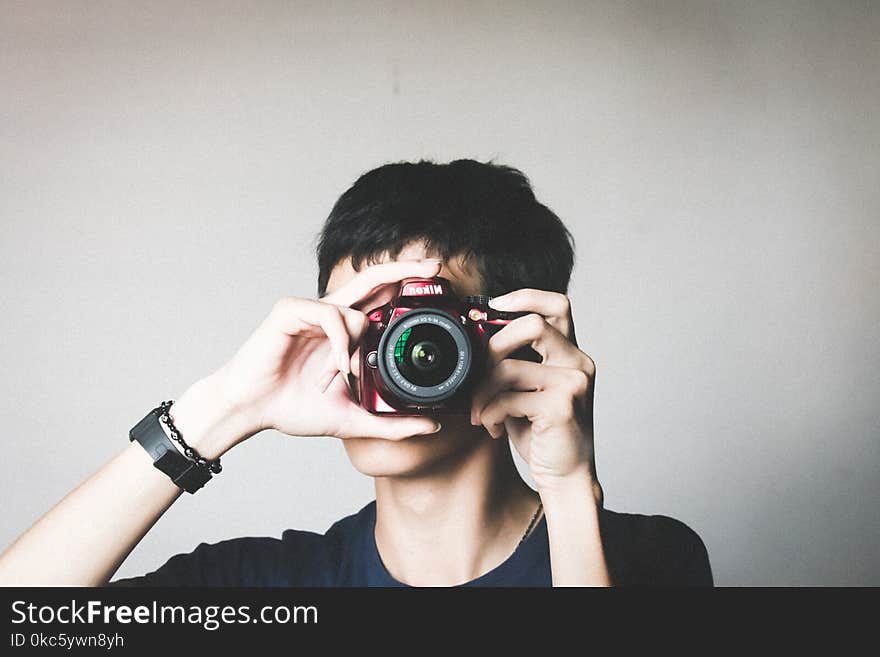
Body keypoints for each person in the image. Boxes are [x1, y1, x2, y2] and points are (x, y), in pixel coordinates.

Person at [0, 159, 712, 586]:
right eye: (361, 320)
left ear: (520, 343)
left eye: (421, 330)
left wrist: (567, 489)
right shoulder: (260, 586)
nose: (388, 352)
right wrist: (219, 411)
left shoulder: (645, 559)